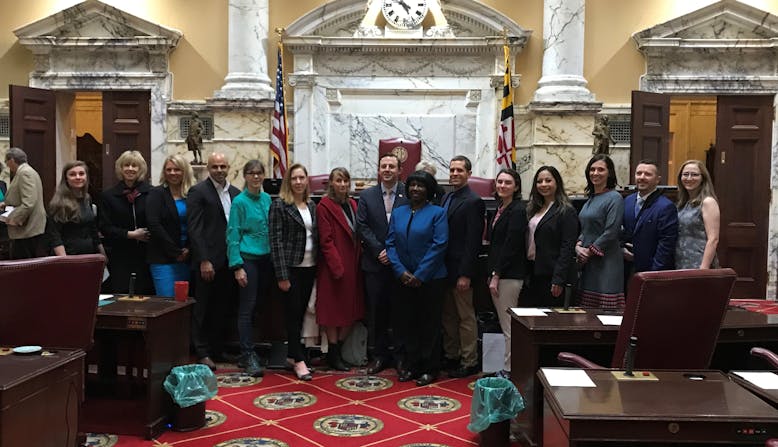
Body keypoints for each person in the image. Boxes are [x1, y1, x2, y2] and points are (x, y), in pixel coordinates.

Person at [386, 170, 448, 386]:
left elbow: (439, 245)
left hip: (431, 280)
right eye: (412, 185)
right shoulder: (399, 213)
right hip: (403, 279)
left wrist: (420, 274)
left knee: (429, 325)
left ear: (429, 190)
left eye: (421, 185)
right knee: (407, 324)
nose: (415, 189)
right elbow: (390, 243)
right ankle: (411, 365)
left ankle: (430, 368)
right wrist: (400, 271)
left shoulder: (437, 213)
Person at [187, 152, 240, 370]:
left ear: (229, 167)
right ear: (208, 168)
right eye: (215, 166)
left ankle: (218, 349)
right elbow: (195, 229)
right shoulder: (198, 192)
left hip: (229, 261)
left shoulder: (236, 193)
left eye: (223, 166)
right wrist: (204, 260)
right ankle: (201, 352)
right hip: (207, 262)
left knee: (222, 307)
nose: (219, 170)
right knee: (202, 308)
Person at [357, 153, 408, 375]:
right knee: (376, 313)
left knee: (401, 312)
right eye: (383, 166)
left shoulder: (409, 193)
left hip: (401, 265)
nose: (387, 169)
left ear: (399, 171)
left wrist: (393, 253)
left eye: (391, 166)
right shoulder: (367, 195)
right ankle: (378, 357)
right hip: (374, 264)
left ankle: (400, 357)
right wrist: (379, 251)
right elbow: (362, 226)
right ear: (379, 170)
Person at [269, 163, 317, 381]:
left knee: (301, 313)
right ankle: (298, 360)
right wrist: (282, 275)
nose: (298, 182)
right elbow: (275, 242)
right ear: (289, 181)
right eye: (294, 178)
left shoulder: (312, 205)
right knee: (292, 315)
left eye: (302, 178)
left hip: (309, 266)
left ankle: (292, 355)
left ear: (307, 180)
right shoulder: (280, 205)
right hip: (290, 268)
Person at [227, 160, 273, 377]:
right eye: (251, 173)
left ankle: (253, 348)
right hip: (247, 259)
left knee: (259, 307)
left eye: (259, 173)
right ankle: (247, 353)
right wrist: (237, 266)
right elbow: (233, 235)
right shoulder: (239, 202)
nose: (256, 177)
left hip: (266, 259)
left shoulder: (266, 199)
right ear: (245, 176)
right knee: (247, 307)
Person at [441, 155, 485, 378]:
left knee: (465, 317)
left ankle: (469, 360)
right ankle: (452, 355)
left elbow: (473, 241)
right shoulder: (447, 197)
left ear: (468, 174)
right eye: (452, 170)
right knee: (448, 316)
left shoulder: (473, 201)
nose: (454, 174)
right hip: (444, 269)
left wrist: (465, 274)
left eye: (459, 170)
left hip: (461, 271)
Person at [316, 167, 364, 371]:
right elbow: (326, 241)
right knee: (332, 312)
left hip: (353, 265)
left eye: (346, 180)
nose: (343, 184)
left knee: (351, 311)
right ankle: (334, 355)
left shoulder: (353, 204)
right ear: (331, 183)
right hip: (334, 267)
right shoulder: (324, 206)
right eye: (338, 181)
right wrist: (337, 267)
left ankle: (337, 351)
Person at [486, 168, 527, 379]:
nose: (502, 186)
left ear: (516, 187)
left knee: (509, 325)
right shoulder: (500, 207)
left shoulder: (518, 210)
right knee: (504, 324)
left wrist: (496, 274)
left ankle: (510, 369)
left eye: (507, 183)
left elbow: (511, 245)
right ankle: (505, 365)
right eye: (499, 182)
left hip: (508, 275)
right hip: (499, 273)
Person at [521, 166, 578, 307]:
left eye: (548, 180)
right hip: (533, 271)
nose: (543, 184)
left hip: (552, 275)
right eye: (539, 181)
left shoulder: (566, 211)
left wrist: (558, 279)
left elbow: (567, 247)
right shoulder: (533, 208)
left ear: (557, 183)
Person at [99, 150, 154, 294]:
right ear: (120, 168)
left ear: (140, 169)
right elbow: (105, 227)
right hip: (120, 255)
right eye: (126, 165)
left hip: (147, 255)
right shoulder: (108, 196)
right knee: (122, 295)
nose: (130, 169)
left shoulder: (152, 193)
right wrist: (130, 234)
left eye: (134, 166)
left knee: (146, 296)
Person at [575, 154, 625, 309]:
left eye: (600, 170)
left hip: (607, 261)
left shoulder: (615, 198)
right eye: (592, 169)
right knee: (587, 312)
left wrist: (588, 252)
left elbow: (611, 231)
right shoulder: (590, 199)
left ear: (609, 173)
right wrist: (577, 246)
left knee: (606, 312)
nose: (595, 173)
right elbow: (585, 228)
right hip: (588, 263)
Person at [146, 154, 194, 297]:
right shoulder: (156, 193)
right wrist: (176, 252)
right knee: (167, 302)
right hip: (163, 258)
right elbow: (154, 224)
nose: (172, 173)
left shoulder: (192, 194)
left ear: (184, 171)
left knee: (184, 302)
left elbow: (197, 224)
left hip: (188, 258)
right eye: (169, 169)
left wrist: (189, 249)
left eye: (177, 169)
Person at [622, 160, 678, 281]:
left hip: (652, 271)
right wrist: (621, 248)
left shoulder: (666, 206)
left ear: (657, 179)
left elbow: (666, 244)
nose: (642, 177)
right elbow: (619, 229)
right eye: (639, 173)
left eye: (647, 174)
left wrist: (653, 274)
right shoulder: (627, 201)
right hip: (626, 269)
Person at [47, 161, 104, 256]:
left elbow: (92, 230)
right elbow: (54, 236)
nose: (78, 177)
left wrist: (102, 254)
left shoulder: (87, 198)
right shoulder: (58, 203)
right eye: (72, 174)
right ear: (66, 179)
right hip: (69, 255)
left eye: (81, 174)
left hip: (89, 254)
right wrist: (65, 261)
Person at [1, 148, 47, 259]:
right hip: (28, 228)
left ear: (11, 160)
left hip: (27, 229)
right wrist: (5, 204)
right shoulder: (27, 171)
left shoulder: (25, 173)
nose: (7, 166)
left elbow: (28, 203)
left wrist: (13, 219)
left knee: (24, 265)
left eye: (7, 162)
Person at [675, 160, 720, 269]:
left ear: (703, 178)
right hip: (681, 262)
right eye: (685, 174)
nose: (689, 178)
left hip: (699, 263)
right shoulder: (683, 203)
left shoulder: (708, 202)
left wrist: (703, 268)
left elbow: (713, 239)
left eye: (694, 174)